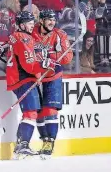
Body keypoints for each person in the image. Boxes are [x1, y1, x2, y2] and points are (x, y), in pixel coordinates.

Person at [6, 11, 58, 160]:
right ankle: (22, 146)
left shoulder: (14, 36)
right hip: (23, 79)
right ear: (22, 25)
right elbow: (29, 65)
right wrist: (44, 64)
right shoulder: (24, 38)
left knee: (32, 112)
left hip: (17, 78)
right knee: (31, 113)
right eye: (29, 23)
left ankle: (21, 146)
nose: (32, 25)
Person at [31, 9, 73, 159]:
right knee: (38, 112)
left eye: (53, 20)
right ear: (41, 20)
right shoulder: (31, 34)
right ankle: (44, 141)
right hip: (35, 76)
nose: (52, 22)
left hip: (54, 75)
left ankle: (50, 142)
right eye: (48, 19)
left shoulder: (60, 35)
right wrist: (42, 60)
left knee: (50, 110)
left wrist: (52, 57)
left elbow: (67, 57)